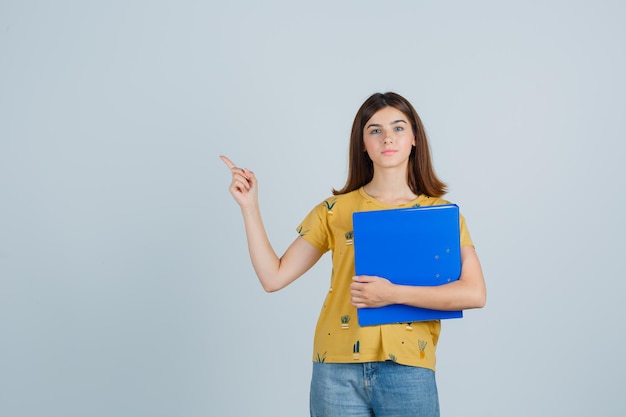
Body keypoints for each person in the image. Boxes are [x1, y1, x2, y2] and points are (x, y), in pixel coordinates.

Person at [220, 92, 486, 417]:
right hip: (336, 370)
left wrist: (391, 294)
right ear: (362, 143)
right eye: (374, 129)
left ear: (415, 138)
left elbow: (474, 293)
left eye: (398, 127)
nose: (387, 137)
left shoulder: (442, 215)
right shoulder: (334, 211)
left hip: (408, 369)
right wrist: (250, 208)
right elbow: (273, 277)